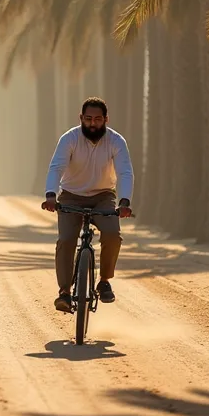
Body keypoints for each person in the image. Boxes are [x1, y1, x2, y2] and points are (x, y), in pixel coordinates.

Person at [42, 97, 134, 313]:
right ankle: (64, 293)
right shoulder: (70, 139)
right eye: (89, 119)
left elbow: (125, 172)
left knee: (112, 234)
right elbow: (56, 167)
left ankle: (104, 281)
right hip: (71, 196)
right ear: (81, 118)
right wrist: (50, 195)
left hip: (103, 196)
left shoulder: (116, 141)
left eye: (98, 119)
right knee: (66, 240)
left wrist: (124, 201)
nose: (93, 124)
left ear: (106, 120)